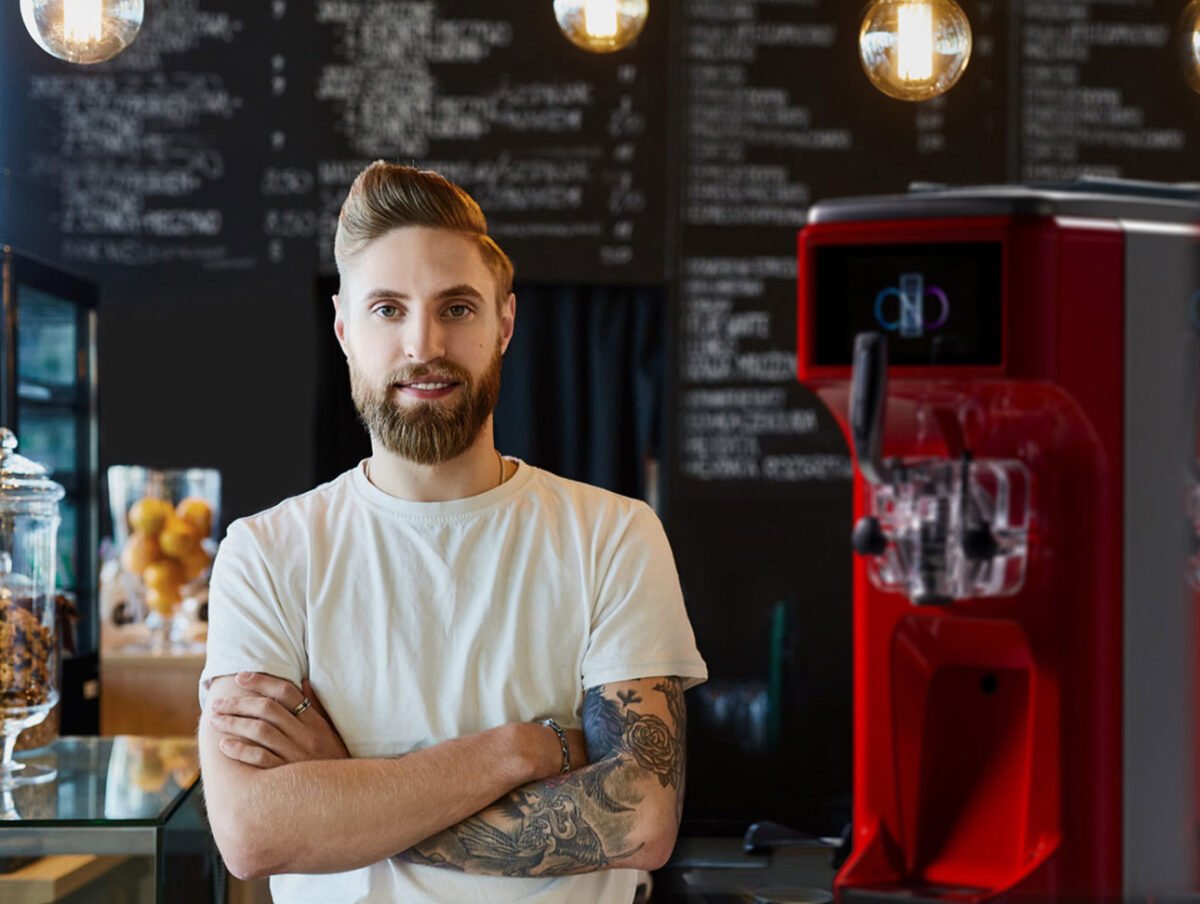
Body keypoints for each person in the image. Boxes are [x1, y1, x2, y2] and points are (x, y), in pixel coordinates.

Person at [197, 161, 708, 904]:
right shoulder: (265, 553)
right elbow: (253, 834)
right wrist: (519, 750)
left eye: (457, 308)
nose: (424, 344)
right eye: (387, 309)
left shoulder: (614, 535)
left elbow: (638, 823)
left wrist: (346, 794)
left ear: (504, 323)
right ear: (344, 329)